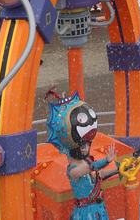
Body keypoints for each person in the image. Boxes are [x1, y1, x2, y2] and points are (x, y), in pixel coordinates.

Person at [45, 92, 123, 220]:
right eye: (83, 146)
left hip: (99, 209)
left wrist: (119, 169)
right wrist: (106, 161)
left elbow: (97, 175)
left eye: (87, 145)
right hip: (86, 214)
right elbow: (90, 169)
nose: (87, 148)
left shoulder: (86, 161)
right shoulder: (73, 171)